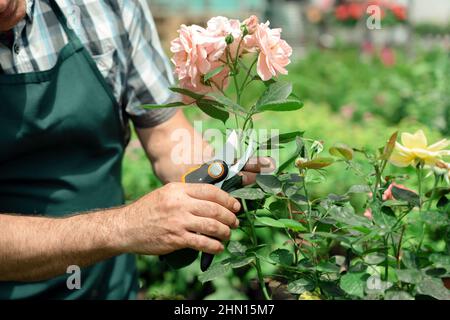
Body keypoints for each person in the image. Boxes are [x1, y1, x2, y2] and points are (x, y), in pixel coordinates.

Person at [0, 0, 274, 299]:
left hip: (108, 286)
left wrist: (216, 173)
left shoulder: (108, 6)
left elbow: (165, 133)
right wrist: (124, 227)